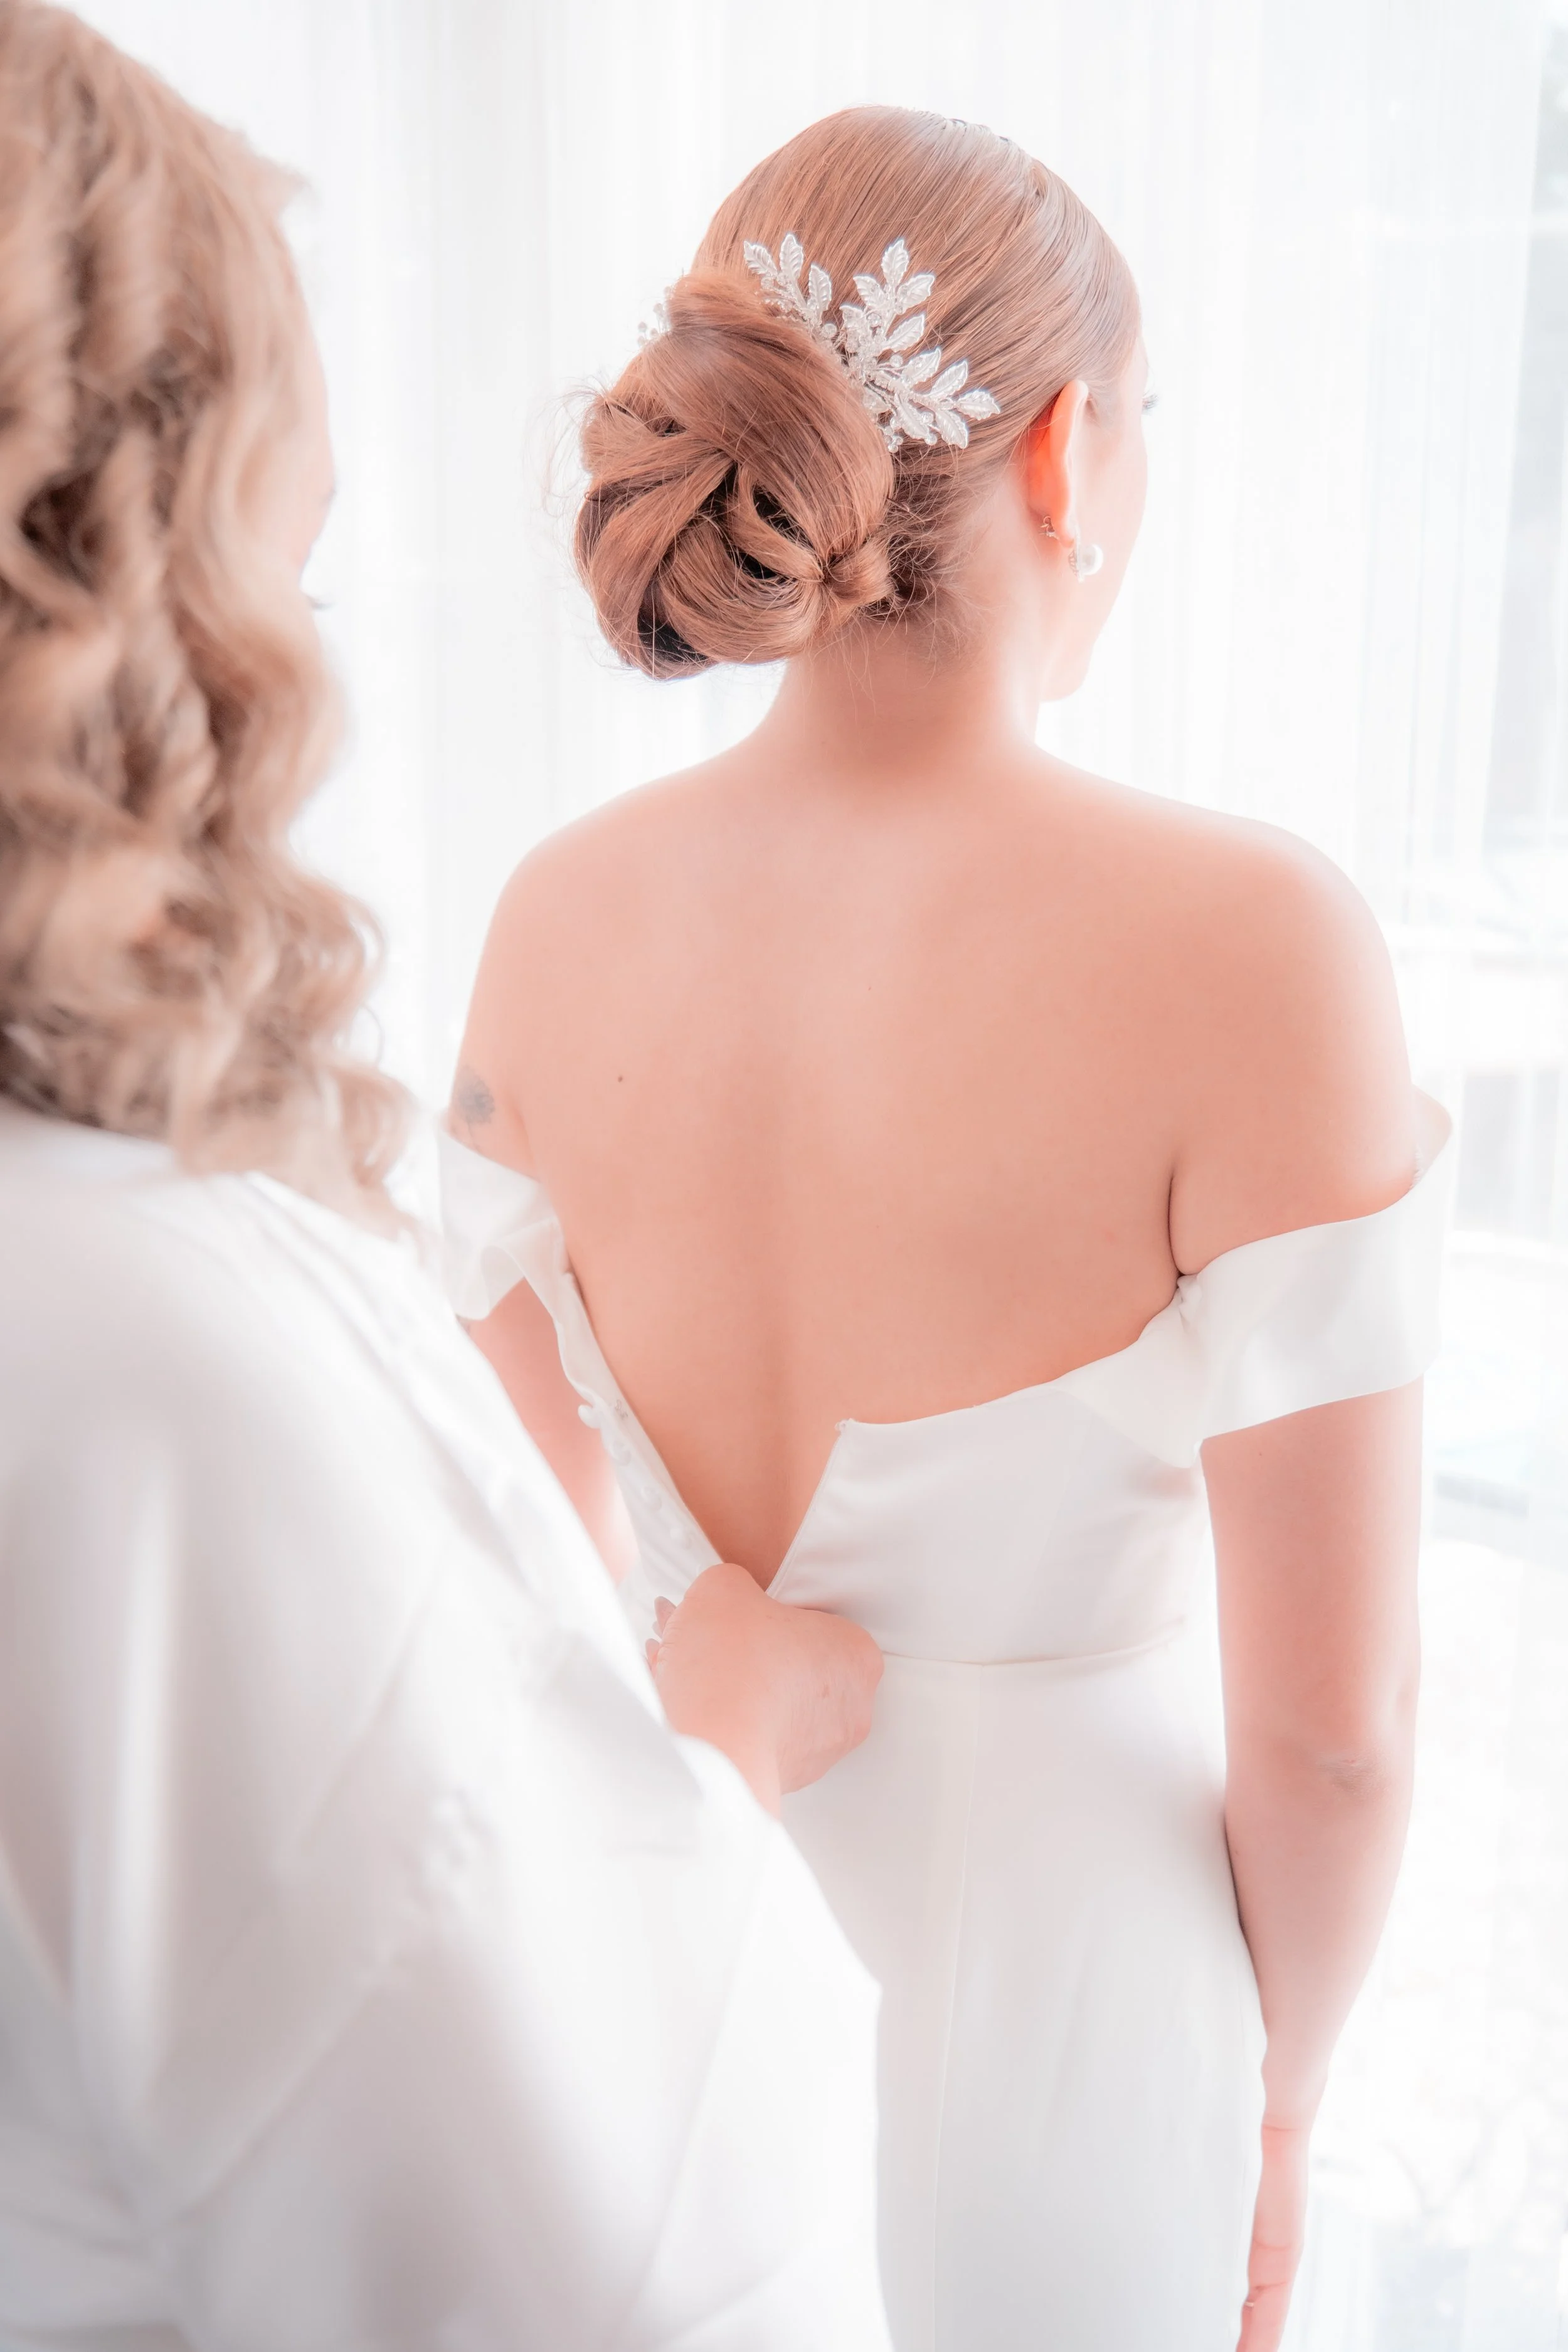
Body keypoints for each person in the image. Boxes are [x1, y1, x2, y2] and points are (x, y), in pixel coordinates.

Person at [447, 107, 1453, 2352]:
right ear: (1069, 451)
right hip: (1073, 2026)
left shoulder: (551, 918)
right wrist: (1283, 2103)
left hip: (662, 2006)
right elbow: (1335, 1738)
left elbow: (518, 1569)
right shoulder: (1255, 945)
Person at [0, 11, 893, 2348]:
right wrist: (721, 1742)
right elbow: (610, 2251)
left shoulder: (557, 921)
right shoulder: (150, 1361)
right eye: (289, 557)